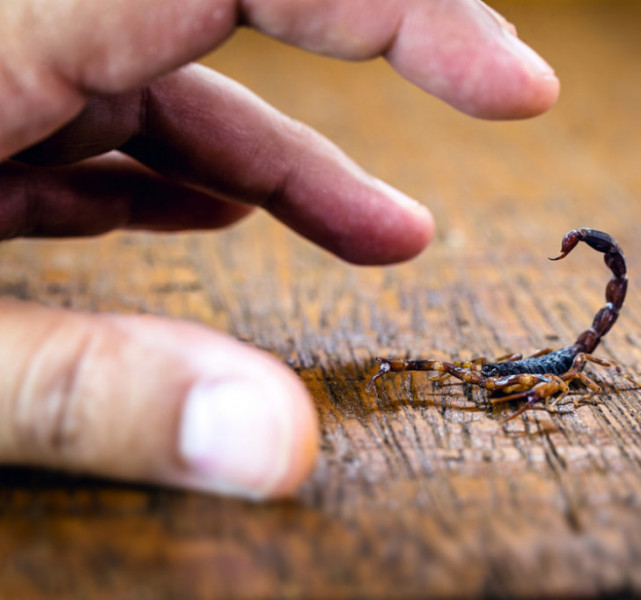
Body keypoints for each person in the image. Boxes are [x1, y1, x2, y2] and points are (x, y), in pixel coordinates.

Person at [0, 0, 559, 499]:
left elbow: (551, 377)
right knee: (472, 372)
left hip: (557, 363)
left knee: (543, 375)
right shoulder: (495, 377)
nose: (504, 390)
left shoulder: (556, 374)